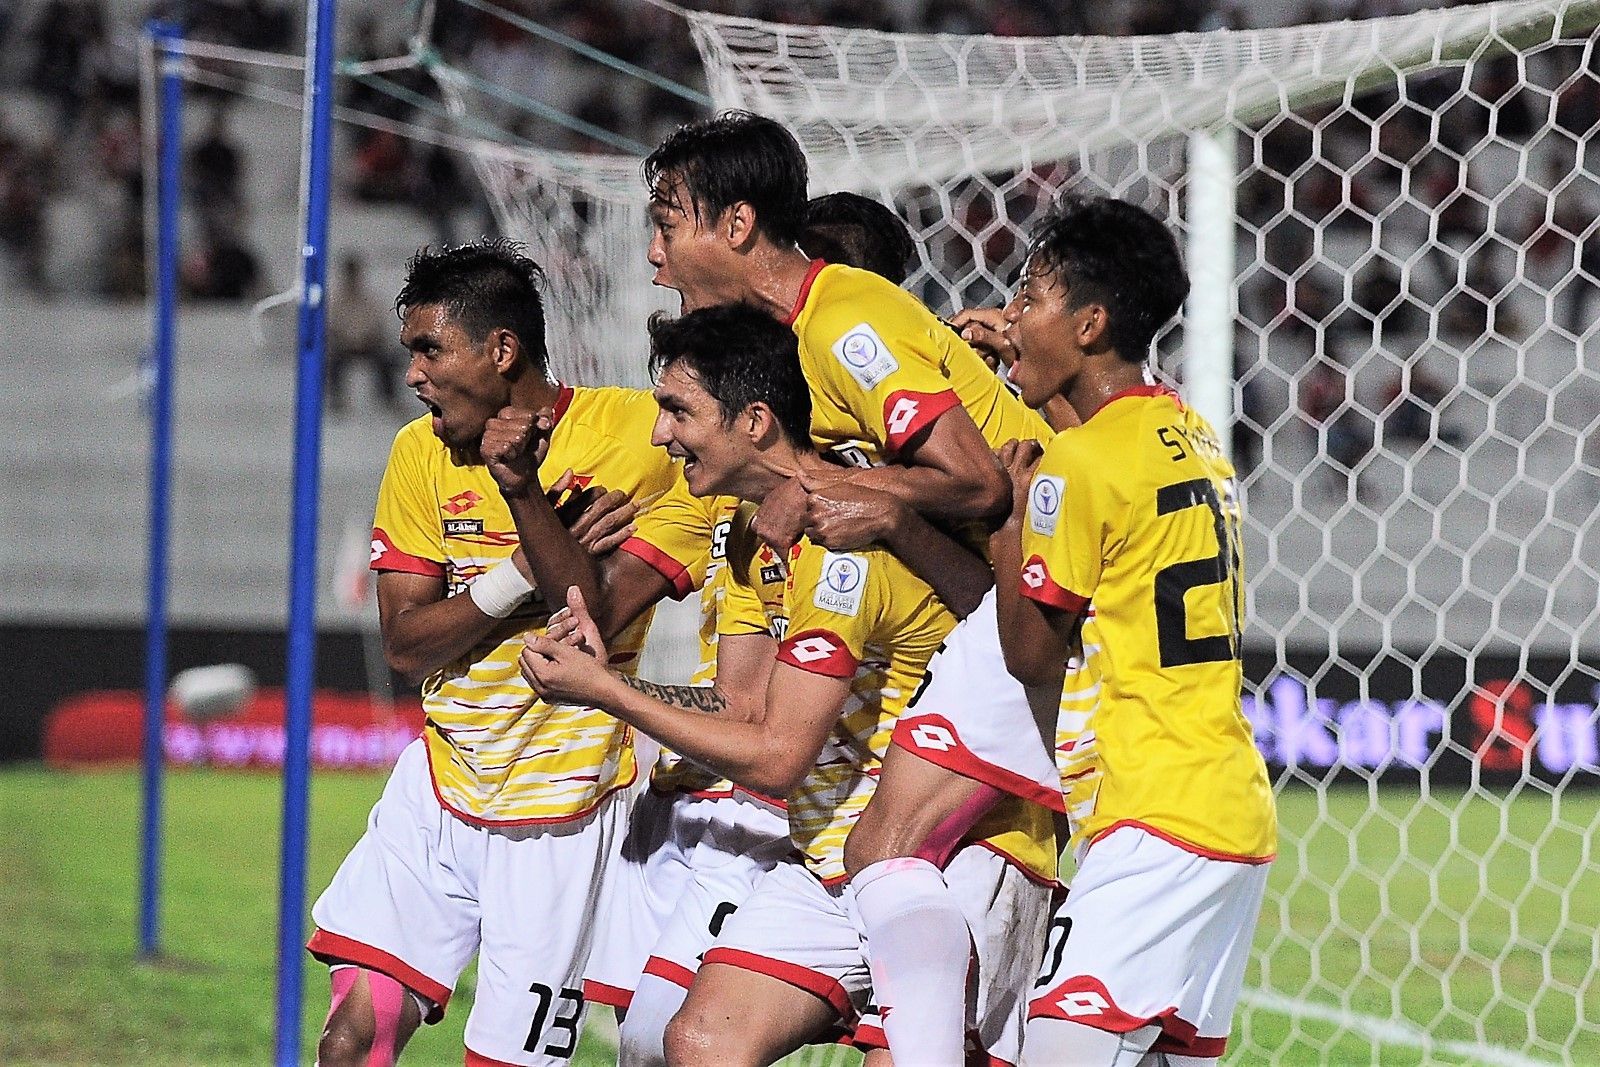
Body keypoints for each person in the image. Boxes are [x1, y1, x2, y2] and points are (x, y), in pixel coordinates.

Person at [502, 111, 1062, 1064]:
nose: (653, 255)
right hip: (947, 663)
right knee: (696, 1038)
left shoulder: (841, 321)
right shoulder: (783, 410)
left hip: (1038, 636)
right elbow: (754, 701)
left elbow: (979, 481)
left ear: (736, 224)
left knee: (892, 896)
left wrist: (831, 491)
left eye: (668, 223)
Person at [305, 239, 676, 1067]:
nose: (413, 375)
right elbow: (405, 640)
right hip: (441, 783)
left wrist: (521, 494)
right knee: (348, 1039)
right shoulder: (418, 452)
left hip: (564, 811)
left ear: (500, 349)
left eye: (429, 348)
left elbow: (591, 614)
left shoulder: (634, 438)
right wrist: (520, 570)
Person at [992, 195, 1277, 1065]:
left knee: (1058, 1048)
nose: (1012, 318)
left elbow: (1030, 653)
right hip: (1228, 808)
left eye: (1030, 297)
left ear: (1089, 322)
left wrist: (1009, 525)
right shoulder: (1190, 432)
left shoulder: (1074, 469)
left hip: (1156, 816)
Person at [325, 253, 401, 413]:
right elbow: (332, 326)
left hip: (368, 345)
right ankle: (336, 400)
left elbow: (377, 324)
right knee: (332, 363)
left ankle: (389, 398)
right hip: (344, 346)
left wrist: (368, 339)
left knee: (385, 361)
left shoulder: (369, 299)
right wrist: (345, 340)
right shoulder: (336, 300)